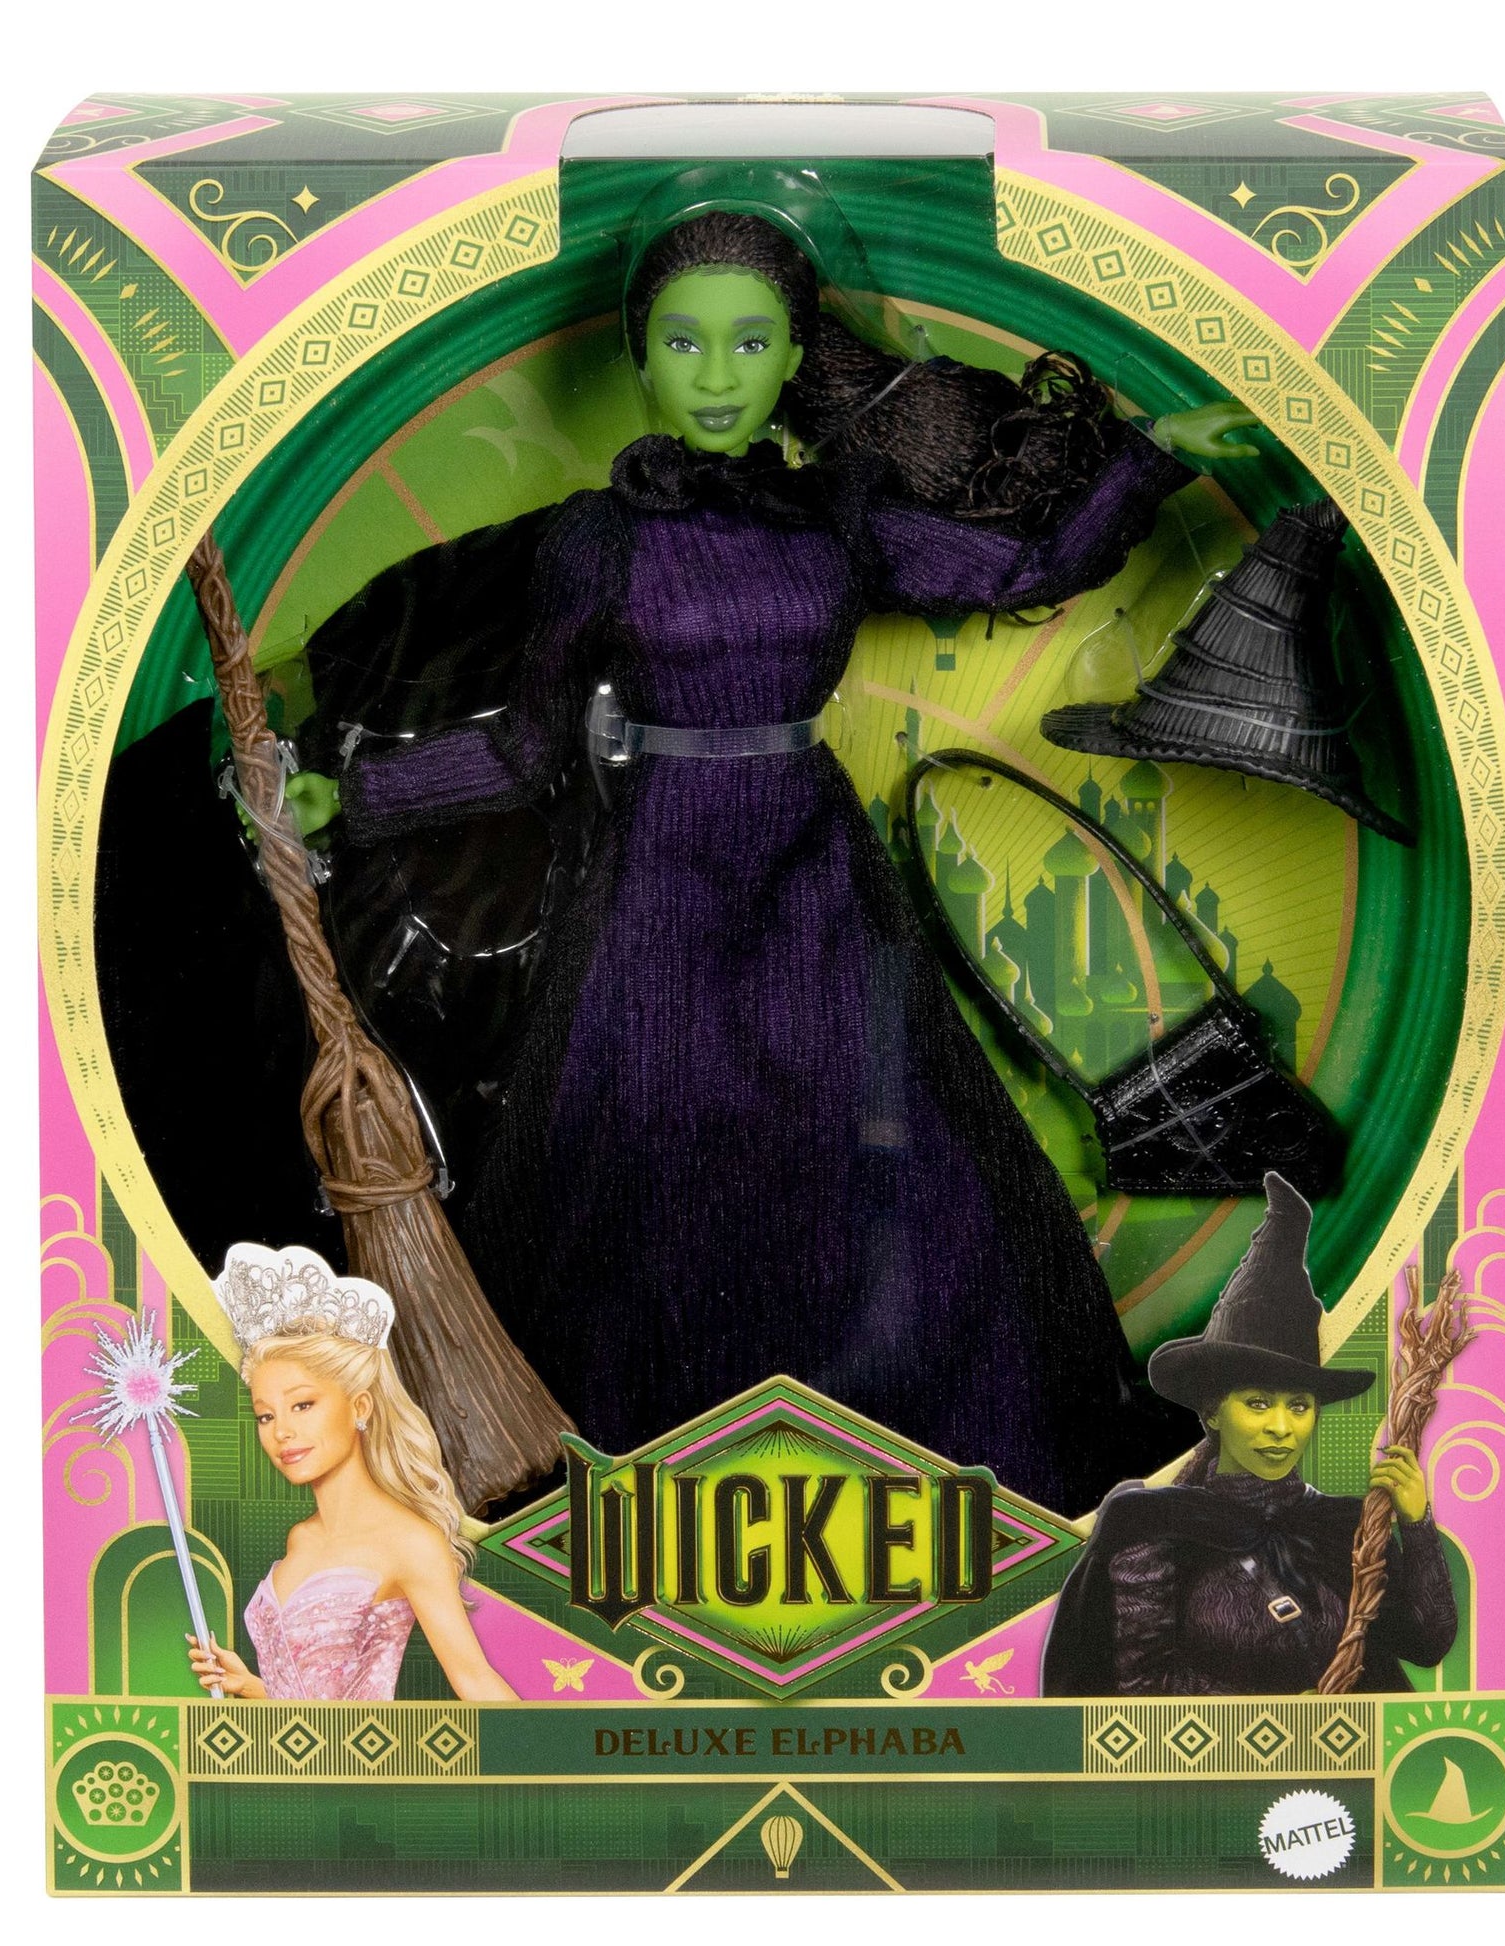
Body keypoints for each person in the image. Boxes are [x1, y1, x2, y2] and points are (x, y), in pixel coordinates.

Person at [275, 209, 1262, 1515]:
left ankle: (946, 1453)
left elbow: (1021, 566)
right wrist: (354, 796)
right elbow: (528, 750)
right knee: (648, 1166)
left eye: (750, 343)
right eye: (684, 343)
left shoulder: (833, 519)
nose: (717, 373)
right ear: (640, 356)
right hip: (657, 883)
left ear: (795, 354)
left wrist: (1151, 455)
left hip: (813, 872)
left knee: (896, 1160)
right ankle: (637, 1480)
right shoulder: (597, 538)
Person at [1040, 1174, 1458, 1695]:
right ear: (1214, 1412)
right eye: (1257, 1403)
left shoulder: (1343, 1524)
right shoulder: (1153, 1524)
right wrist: (1276, 1713)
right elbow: (1141, 1682)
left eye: (1298, 1406)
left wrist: (1417, 1524)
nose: (1281, 1428)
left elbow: (1425, 1644)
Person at [187, 1244, 517, 1702]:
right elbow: (312, 1706)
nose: (282, 1431)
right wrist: (254, 1686)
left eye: (303, 1405)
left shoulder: (411, 1542)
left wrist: (557, 1746)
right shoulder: (300, 1538)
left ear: (360, 1406)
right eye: (266, 1415)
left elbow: (477, 1682)